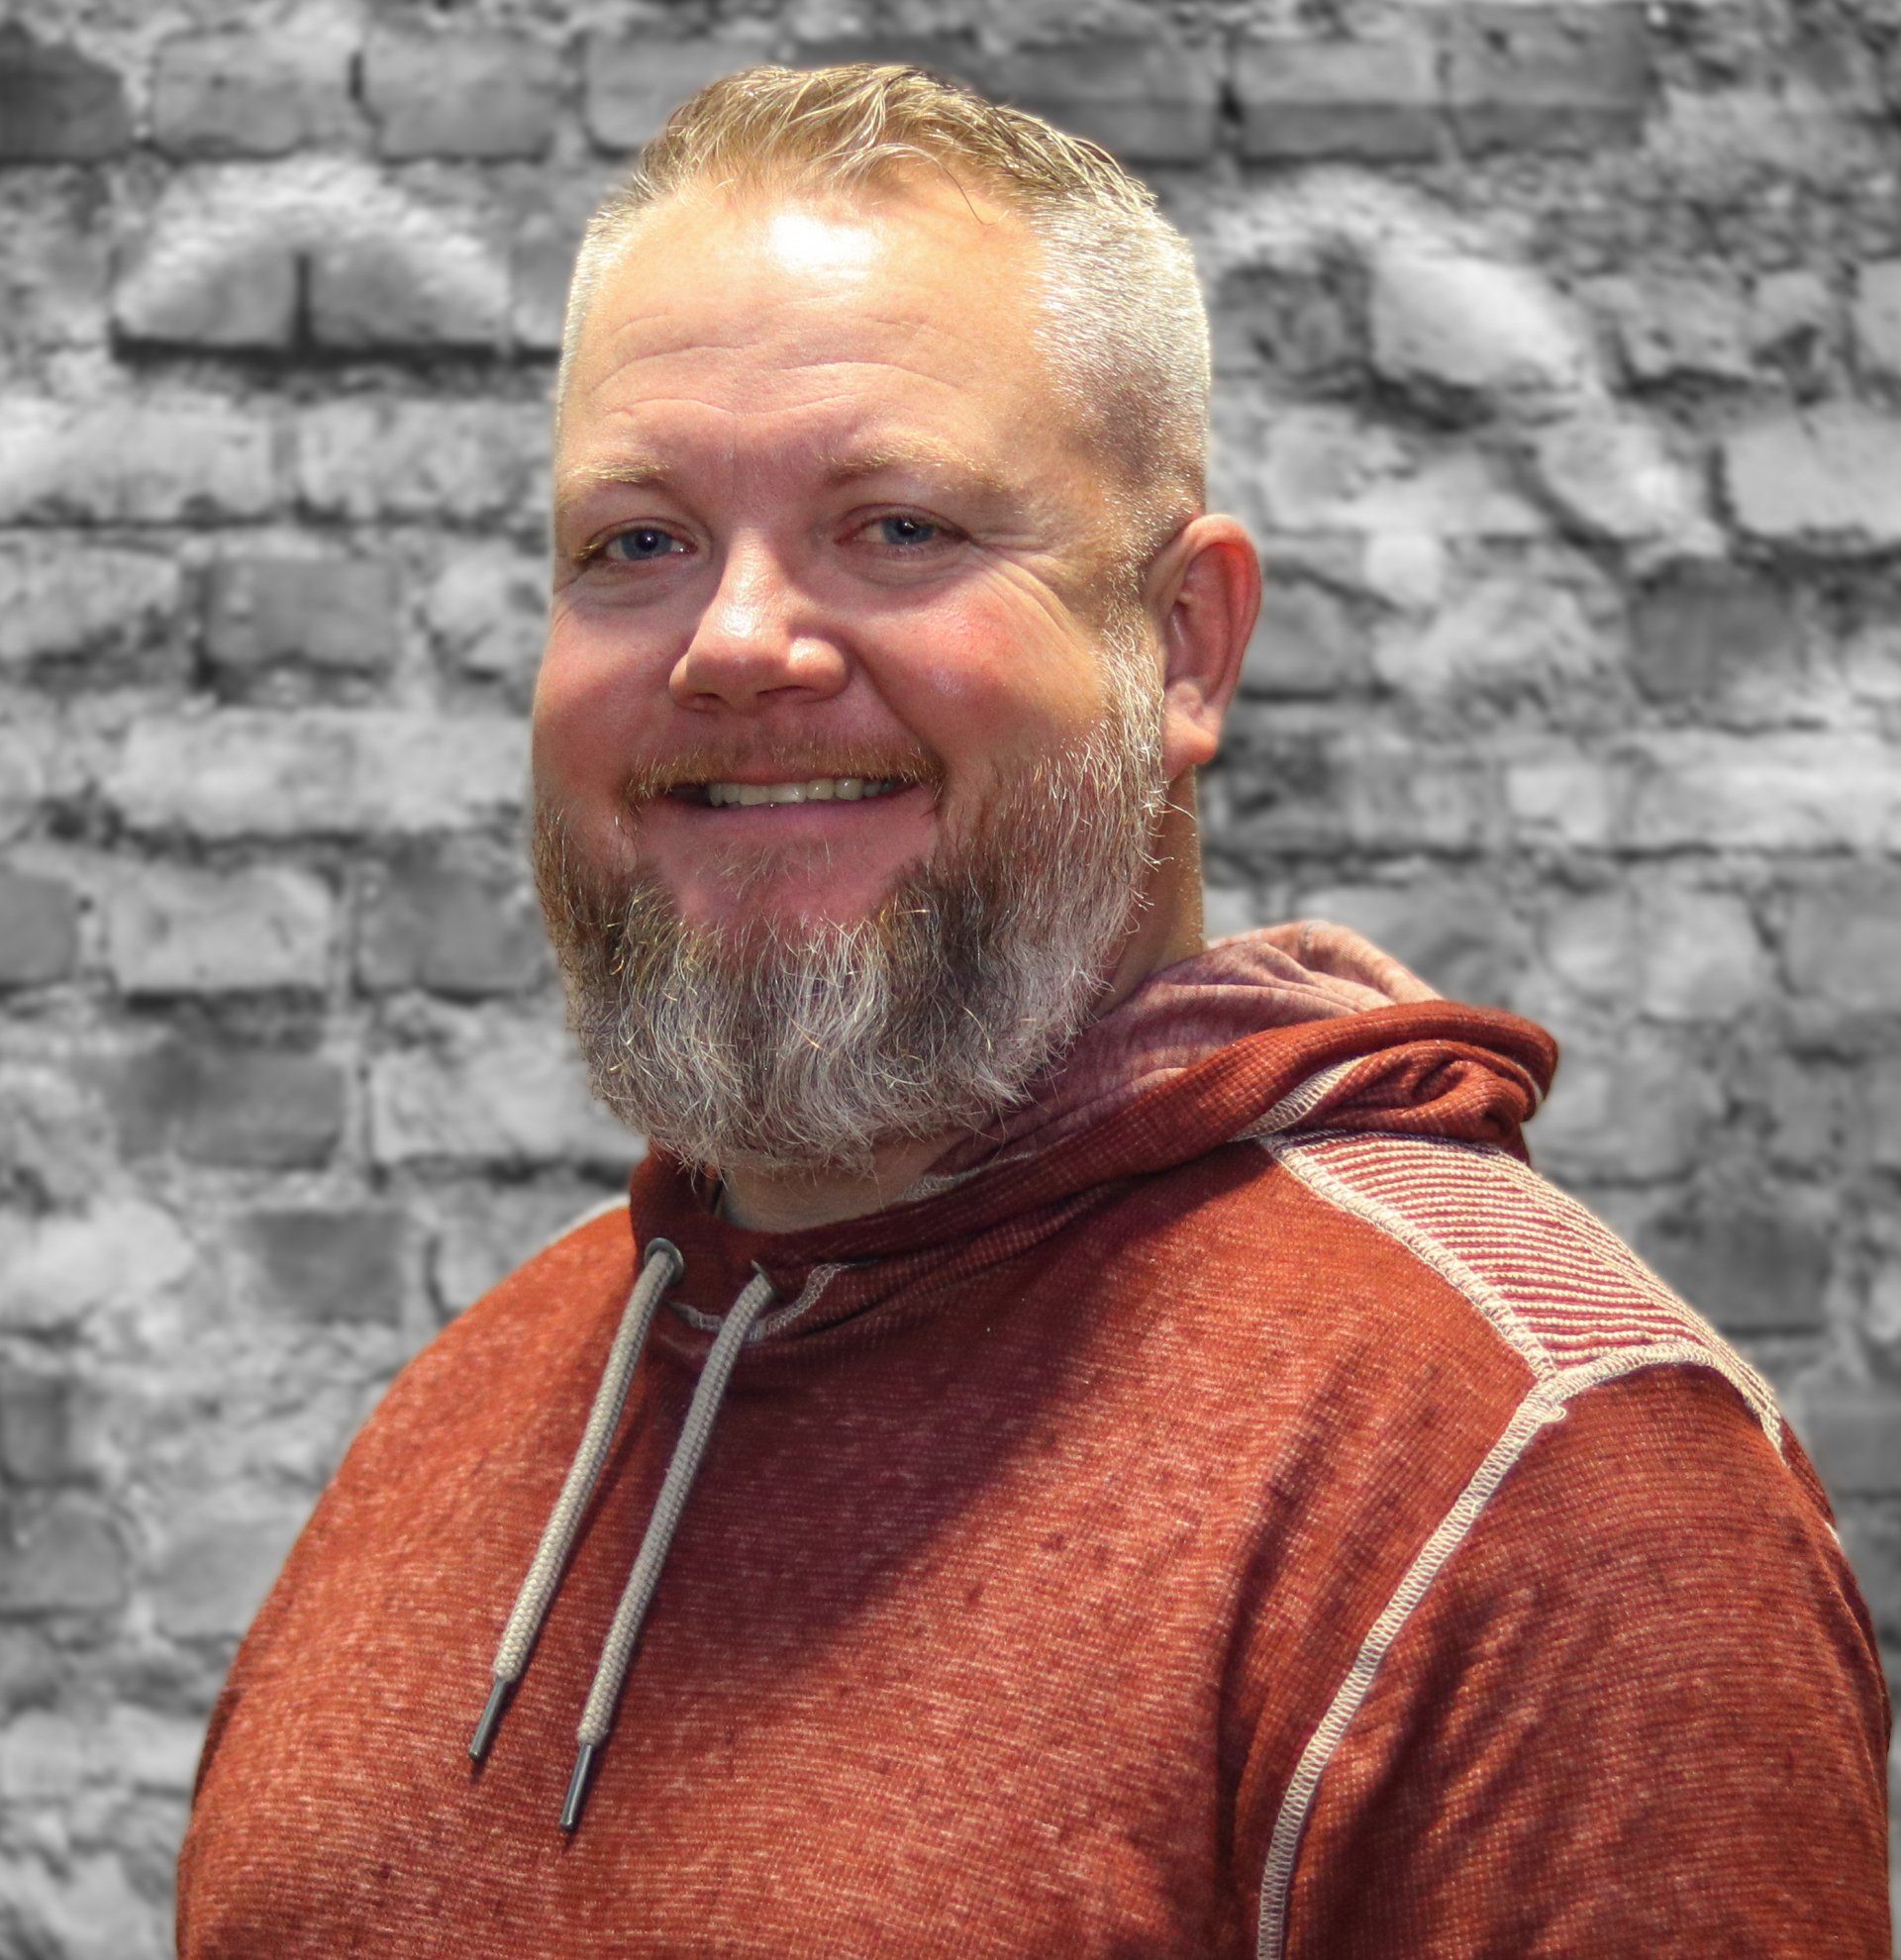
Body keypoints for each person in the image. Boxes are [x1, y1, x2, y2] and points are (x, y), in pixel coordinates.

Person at [175, 62, 1891, 1958]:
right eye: (635, 544)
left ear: (1183, 647)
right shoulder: (468, 1409)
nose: (736, 644)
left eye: (899, 526)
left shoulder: (1536, 1479)